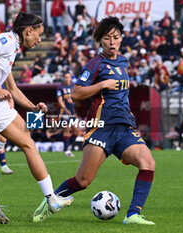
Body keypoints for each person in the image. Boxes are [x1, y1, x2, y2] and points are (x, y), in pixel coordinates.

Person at [33, 16, 155, 225]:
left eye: (116, 37)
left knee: (148, 163)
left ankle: (133, 214)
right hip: (101, 128)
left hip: (124, 128)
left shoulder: (124, 61)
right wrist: (102, 85)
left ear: (121, 38)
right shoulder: (95, 64)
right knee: (83, 181)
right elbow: (76, 94)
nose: (112, 42)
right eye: (107, 38)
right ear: (100, 40)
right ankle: (48, 202)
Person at [0, 12, 73, 224]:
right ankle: (51, 198)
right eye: (38, 34)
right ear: (28, 31)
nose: (39, 40)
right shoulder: (7, 41)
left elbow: (12, 88)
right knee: (28, 143)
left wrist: (32, 107)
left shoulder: (9, 48)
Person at [57, 72, 76, 157]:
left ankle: (68, 145)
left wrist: (73, 101)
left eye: (69, 77)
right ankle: (67, 150)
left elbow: (77, 97)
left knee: (77, 131)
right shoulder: (60, 88)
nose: (67, 79)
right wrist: (65, 109)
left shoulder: (73, 86)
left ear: (71, 78)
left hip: (72, 111)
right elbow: (60, 100)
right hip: (63, 111)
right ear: (63, 78)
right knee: (66, 130)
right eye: (66, 77)